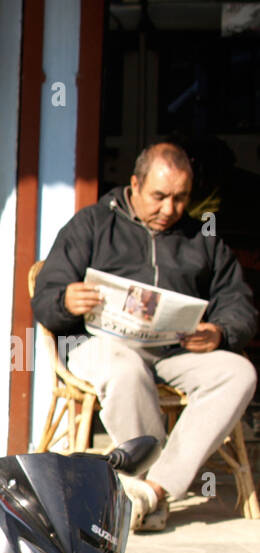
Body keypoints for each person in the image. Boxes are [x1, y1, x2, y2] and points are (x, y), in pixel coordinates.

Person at [31, 142, 257, 530]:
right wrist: (66, 299)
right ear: (134, 185)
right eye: (159, 197)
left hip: (175, 350)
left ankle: (151, 490)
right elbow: (46, 296)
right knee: (124, 369)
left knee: (238, 372)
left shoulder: (201, 236)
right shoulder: (92, 224)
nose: (170, 210)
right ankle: (145, 489)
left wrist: (220, 332)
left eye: (181, 199)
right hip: (100, 346)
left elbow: (239, 304)